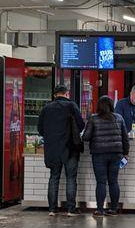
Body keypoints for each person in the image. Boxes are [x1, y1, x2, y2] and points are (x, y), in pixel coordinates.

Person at [38, 84, 84, 217]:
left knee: (54, 177)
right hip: (70, 148)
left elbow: (40, 129)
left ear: (54, 95)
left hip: (52, 149)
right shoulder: (71, 106)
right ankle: (70, 209)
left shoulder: (47, 108)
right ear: (66, 94)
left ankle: (52, 209)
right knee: (71, 178)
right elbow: (81, 124)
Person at [83, 96, 129, 217]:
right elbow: (125, 138)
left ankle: (100, 210)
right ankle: (113, 209)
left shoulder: (93, 118)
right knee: (113, 182)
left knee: (101, 182)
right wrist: (126, 153)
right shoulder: (119, 118)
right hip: (116, 154)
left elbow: (86, 137)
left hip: (99, 154)